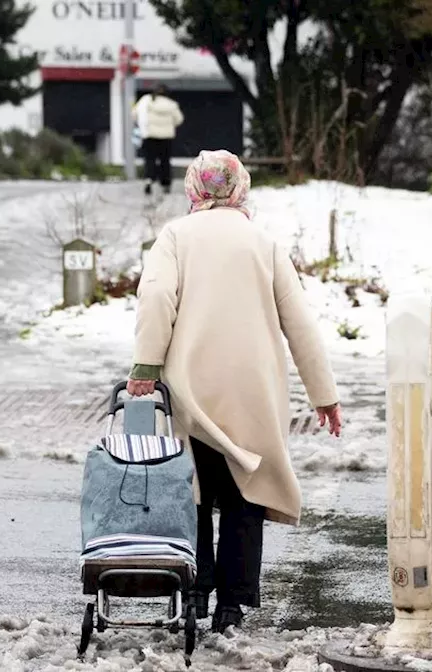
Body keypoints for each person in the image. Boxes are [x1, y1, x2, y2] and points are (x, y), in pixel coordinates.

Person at [126, 150, 343, 634]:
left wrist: (145, 366)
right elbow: (300, 322)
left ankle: (197, 589)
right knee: (246, 493)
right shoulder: (262, 241)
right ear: (239, 187)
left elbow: (157, 297)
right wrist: (323, 396)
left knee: (194, 492)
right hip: (254, 391)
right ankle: (234, 602)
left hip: (192, 387)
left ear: (195, 188)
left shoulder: (175, 237)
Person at [133, 84, 185, 195]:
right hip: (166, 136)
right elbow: (179, 119)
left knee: (150, 159)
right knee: (165, 160)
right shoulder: (172, 105)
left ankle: (149, 179)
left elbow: (135, 114)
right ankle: (165, 182)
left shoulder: (147, 102)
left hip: (150, 135)